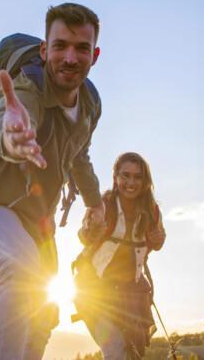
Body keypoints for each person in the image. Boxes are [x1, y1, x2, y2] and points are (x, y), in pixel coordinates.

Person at [0, 3, 105, 360]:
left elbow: (79, 156)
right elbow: (6, 125)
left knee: (43, 315)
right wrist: (12, 137)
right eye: (60, 46)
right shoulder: (27, 84)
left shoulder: (90, 104)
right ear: (44, 50)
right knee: (21, 268)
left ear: (95, 55)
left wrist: (95, 201)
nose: (70, 58)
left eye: (81, 48)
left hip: (38, 222)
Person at [74, 152, 166, 359]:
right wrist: (91, 229)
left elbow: (159, 239)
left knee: (132, 354)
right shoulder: (103, 204)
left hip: (132, 294)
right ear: (115, 177)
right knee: (115, 348)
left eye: (137, 177)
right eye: (125, 175)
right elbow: (83, 235)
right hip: (95, 291)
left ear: (145, 181)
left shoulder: (152, 210)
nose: (131, 182)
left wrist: (159, 239)